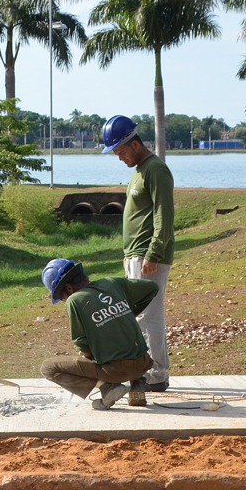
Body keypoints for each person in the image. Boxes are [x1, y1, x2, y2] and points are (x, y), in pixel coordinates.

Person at [102, 115, 174, 392]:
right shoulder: (139, 172)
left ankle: (157, 376)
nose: (120, 158)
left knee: (150, 316)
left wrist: (153, 253)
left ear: (134, 144)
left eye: (120, 152)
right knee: (139, 316)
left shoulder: (156, 170)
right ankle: (147, 370)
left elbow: (163, 215)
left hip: (148, 255)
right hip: (136, 255)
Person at [40, 258, 157, 410]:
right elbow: (152, 287)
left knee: (48, 368)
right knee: (120, 339)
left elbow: (83, 343)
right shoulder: (112, 283)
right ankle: (137, 386)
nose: (64, 301)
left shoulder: (74, 300)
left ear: (68, 288)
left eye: (62, 298)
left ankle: (108, 388)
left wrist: (89, 358)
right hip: (143, 363)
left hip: (116, 371)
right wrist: (128, 312)